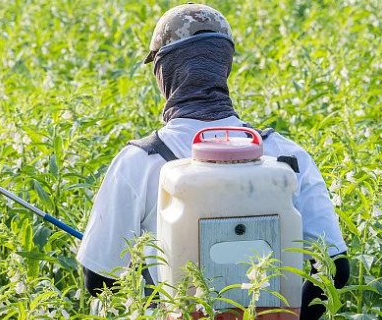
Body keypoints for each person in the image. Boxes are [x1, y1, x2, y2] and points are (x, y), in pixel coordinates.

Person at [76, 3, 350, 319]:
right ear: (225, 65)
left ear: (164, 72)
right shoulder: (288, 155)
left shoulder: (138, 162)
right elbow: (335, 267)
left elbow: (98, 280)